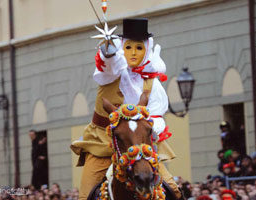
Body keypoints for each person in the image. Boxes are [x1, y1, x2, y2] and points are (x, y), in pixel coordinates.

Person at [71, 18, 180, 200]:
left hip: (140, 145)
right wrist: (109, 52)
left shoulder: (151, 82)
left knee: (174, 190)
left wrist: (151, 129)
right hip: (102, 142)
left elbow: (156, 116)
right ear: (122, 48)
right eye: (128, 47)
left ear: (146, 49)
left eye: (139, 48)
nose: (134, 53)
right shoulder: (111, 72)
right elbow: (107, 63)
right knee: (85, 196)